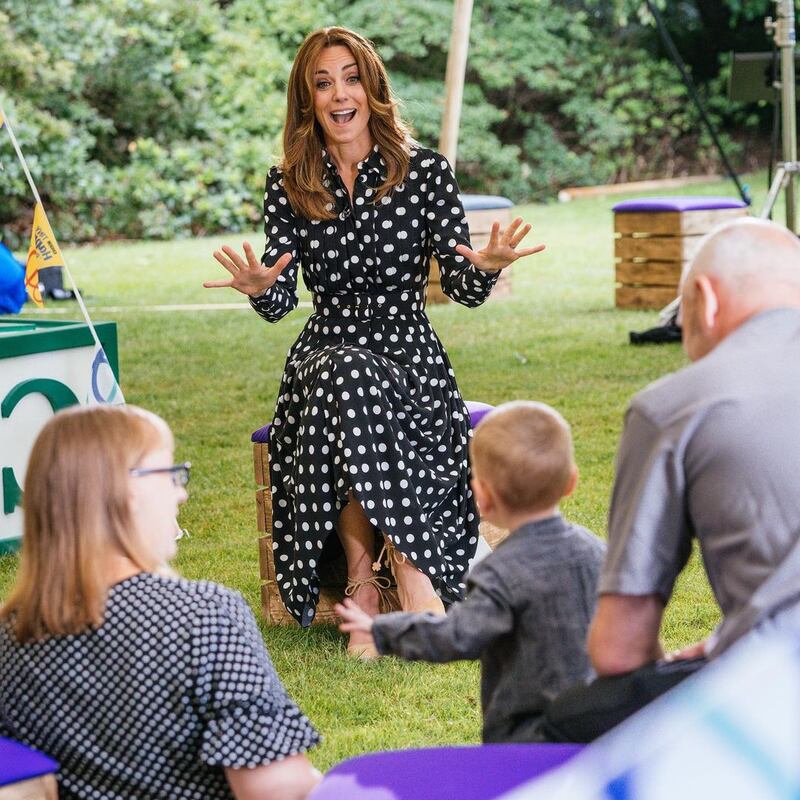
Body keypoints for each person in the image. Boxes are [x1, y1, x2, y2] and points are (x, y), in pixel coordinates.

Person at [203, 27, 544, 656]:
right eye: (323, 82)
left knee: (353, 377)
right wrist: (257, 286)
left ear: (373, 88)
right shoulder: (289, 182)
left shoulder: (425, 172)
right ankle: (379, 583)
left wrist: (489, 266)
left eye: (351, 79)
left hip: (408, 350)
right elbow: (281, 302)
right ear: (307, 100)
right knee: (343, 372)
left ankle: (392, 579)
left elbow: (463, 288)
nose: (339, 94)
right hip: (324, 348)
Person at [0, 405, 320, 800]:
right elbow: (276, 789)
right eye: (170, 473)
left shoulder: (12, 631)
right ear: (125, 490)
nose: (181, 492)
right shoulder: (203, 616)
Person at [588, 217, 800, 677]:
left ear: (704, 301)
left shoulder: (673, 407)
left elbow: (620, 649)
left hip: (780, 695)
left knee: (574, 716)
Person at [335, 401, 606, 742]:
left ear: (482, 498)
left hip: (525, 735)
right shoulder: (599, 551)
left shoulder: (498, 573)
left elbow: (455, 635)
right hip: (597, 724)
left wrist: (383, 630)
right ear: (571, 482)